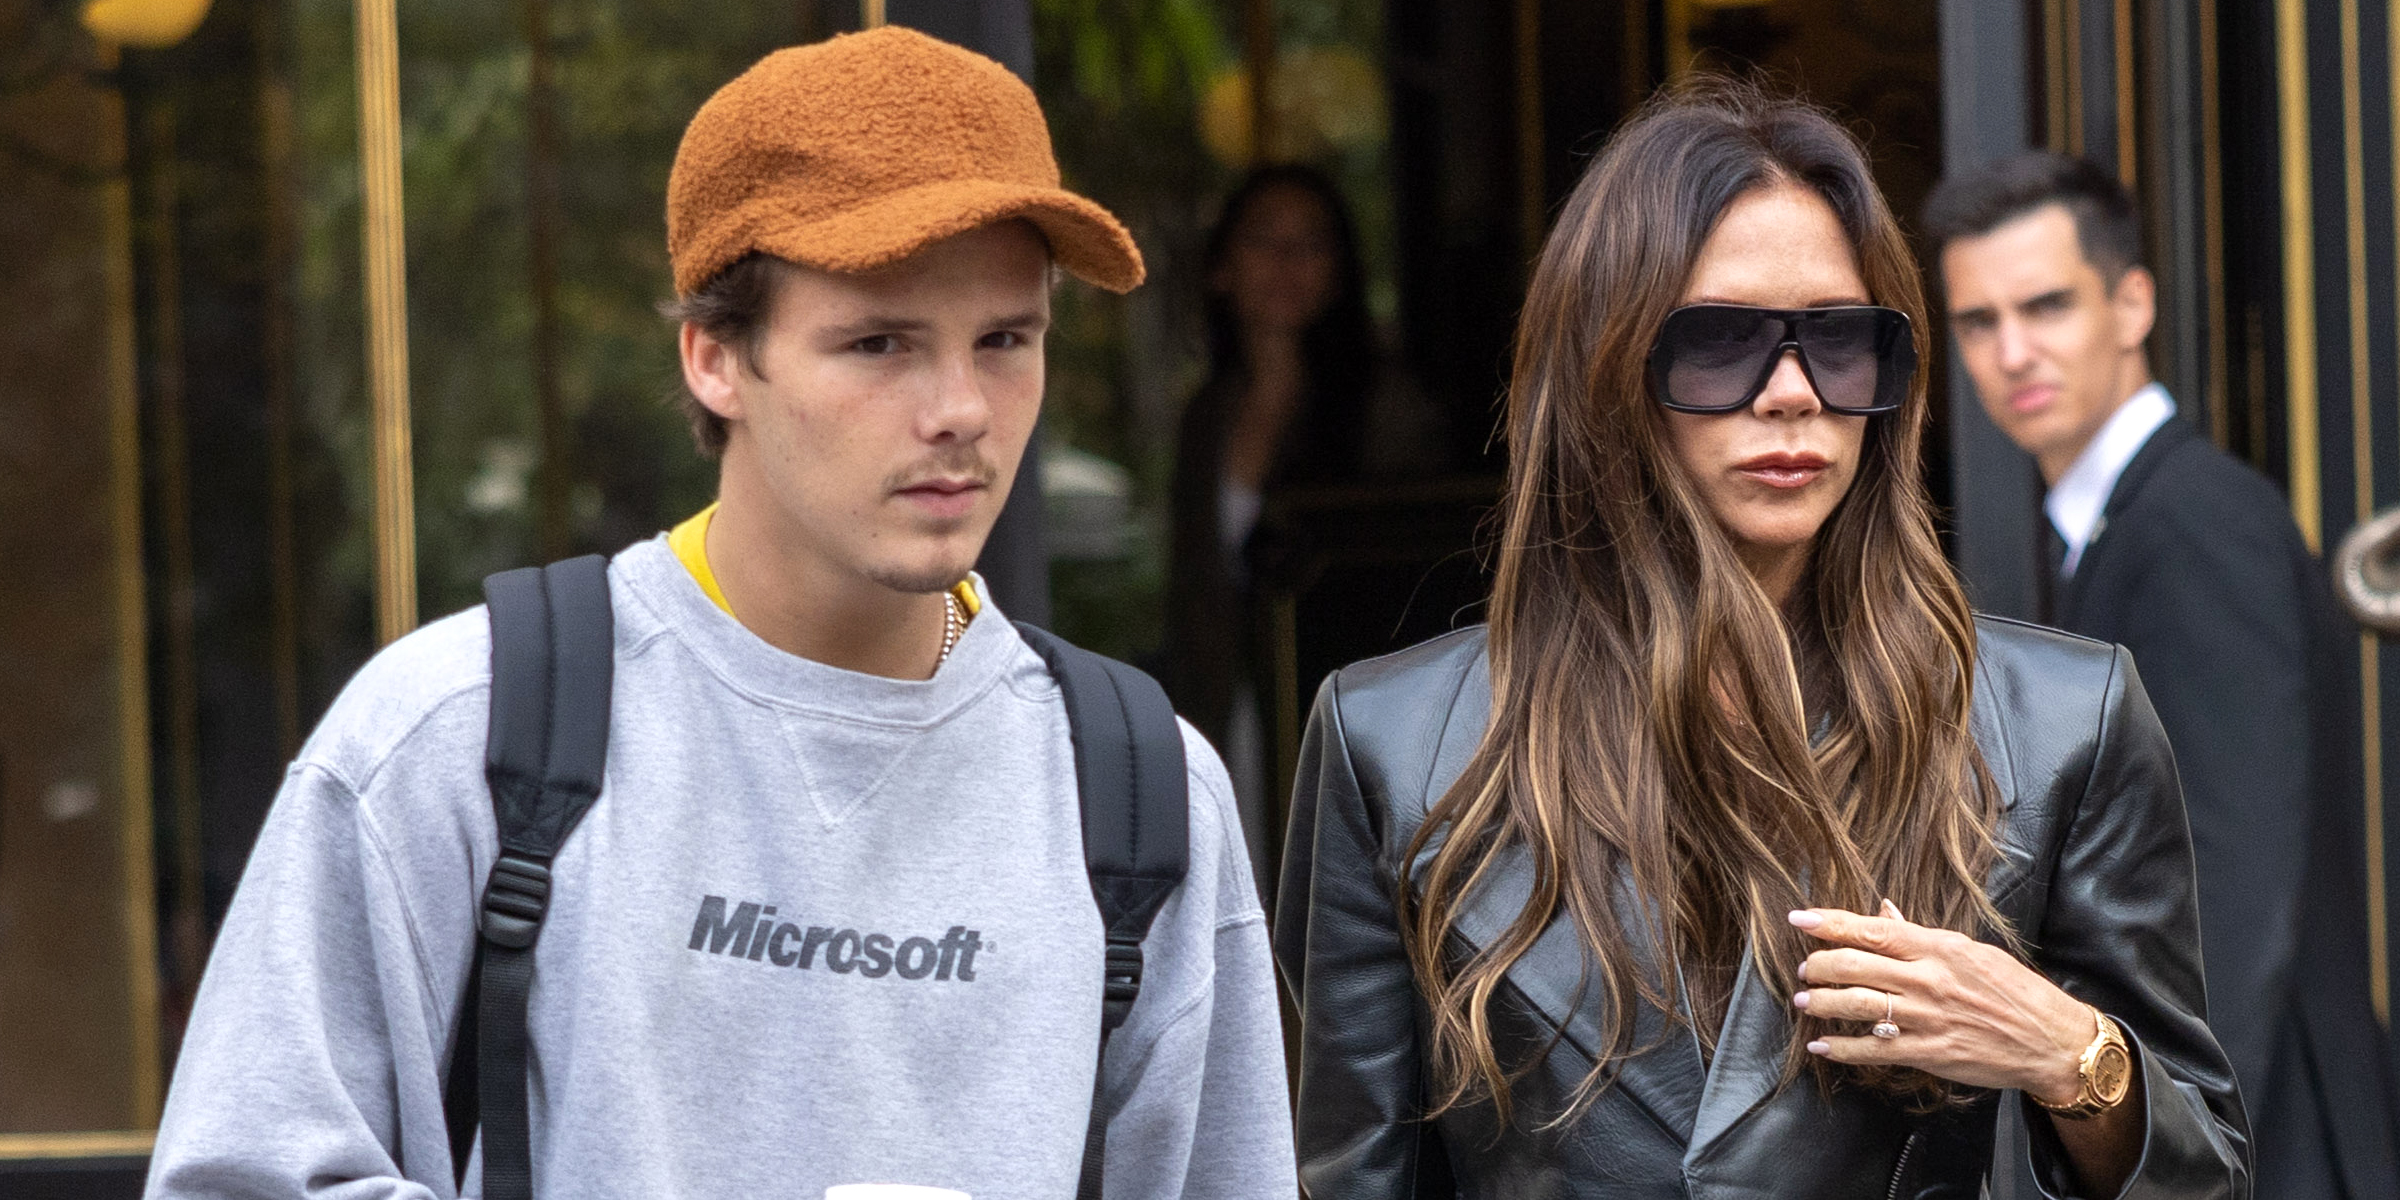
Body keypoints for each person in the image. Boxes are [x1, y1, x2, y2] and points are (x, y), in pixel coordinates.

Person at [144, 28, 1294, 1199]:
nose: (961, 408)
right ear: (715, 360)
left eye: (1005, 340)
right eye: (879, 343)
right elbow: (243, 1174)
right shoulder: (464, 731)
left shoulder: (1143, 789)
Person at [1274, 84, 2248, 1198]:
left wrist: (2074, 1056)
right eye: (1721, 342)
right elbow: (1353, 1175)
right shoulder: (1392, 744)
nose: (1791, 395)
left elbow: (2207, 1176)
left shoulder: (2066, 721)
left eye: (1842, 344)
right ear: (1607, 367)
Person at [1924, 151, 2399, 1199]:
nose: (2013, 352)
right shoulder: (2105, 528)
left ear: (2132, 302)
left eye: (2046, 306)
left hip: (2265, 1136)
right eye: (1977, 321)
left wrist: (2168, 1161)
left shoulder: (2198, 524)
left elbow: (2232, 882)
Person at [1165, 164, 1437, 883]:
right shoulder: (1207, 415)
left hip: (1345, 719)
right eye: (1264, 241)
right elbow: (1190, 590)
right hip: (1230, 709)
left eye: (1311, 244)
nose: (1287, 263)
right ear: (1222, 267)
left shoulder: (1387, 404)